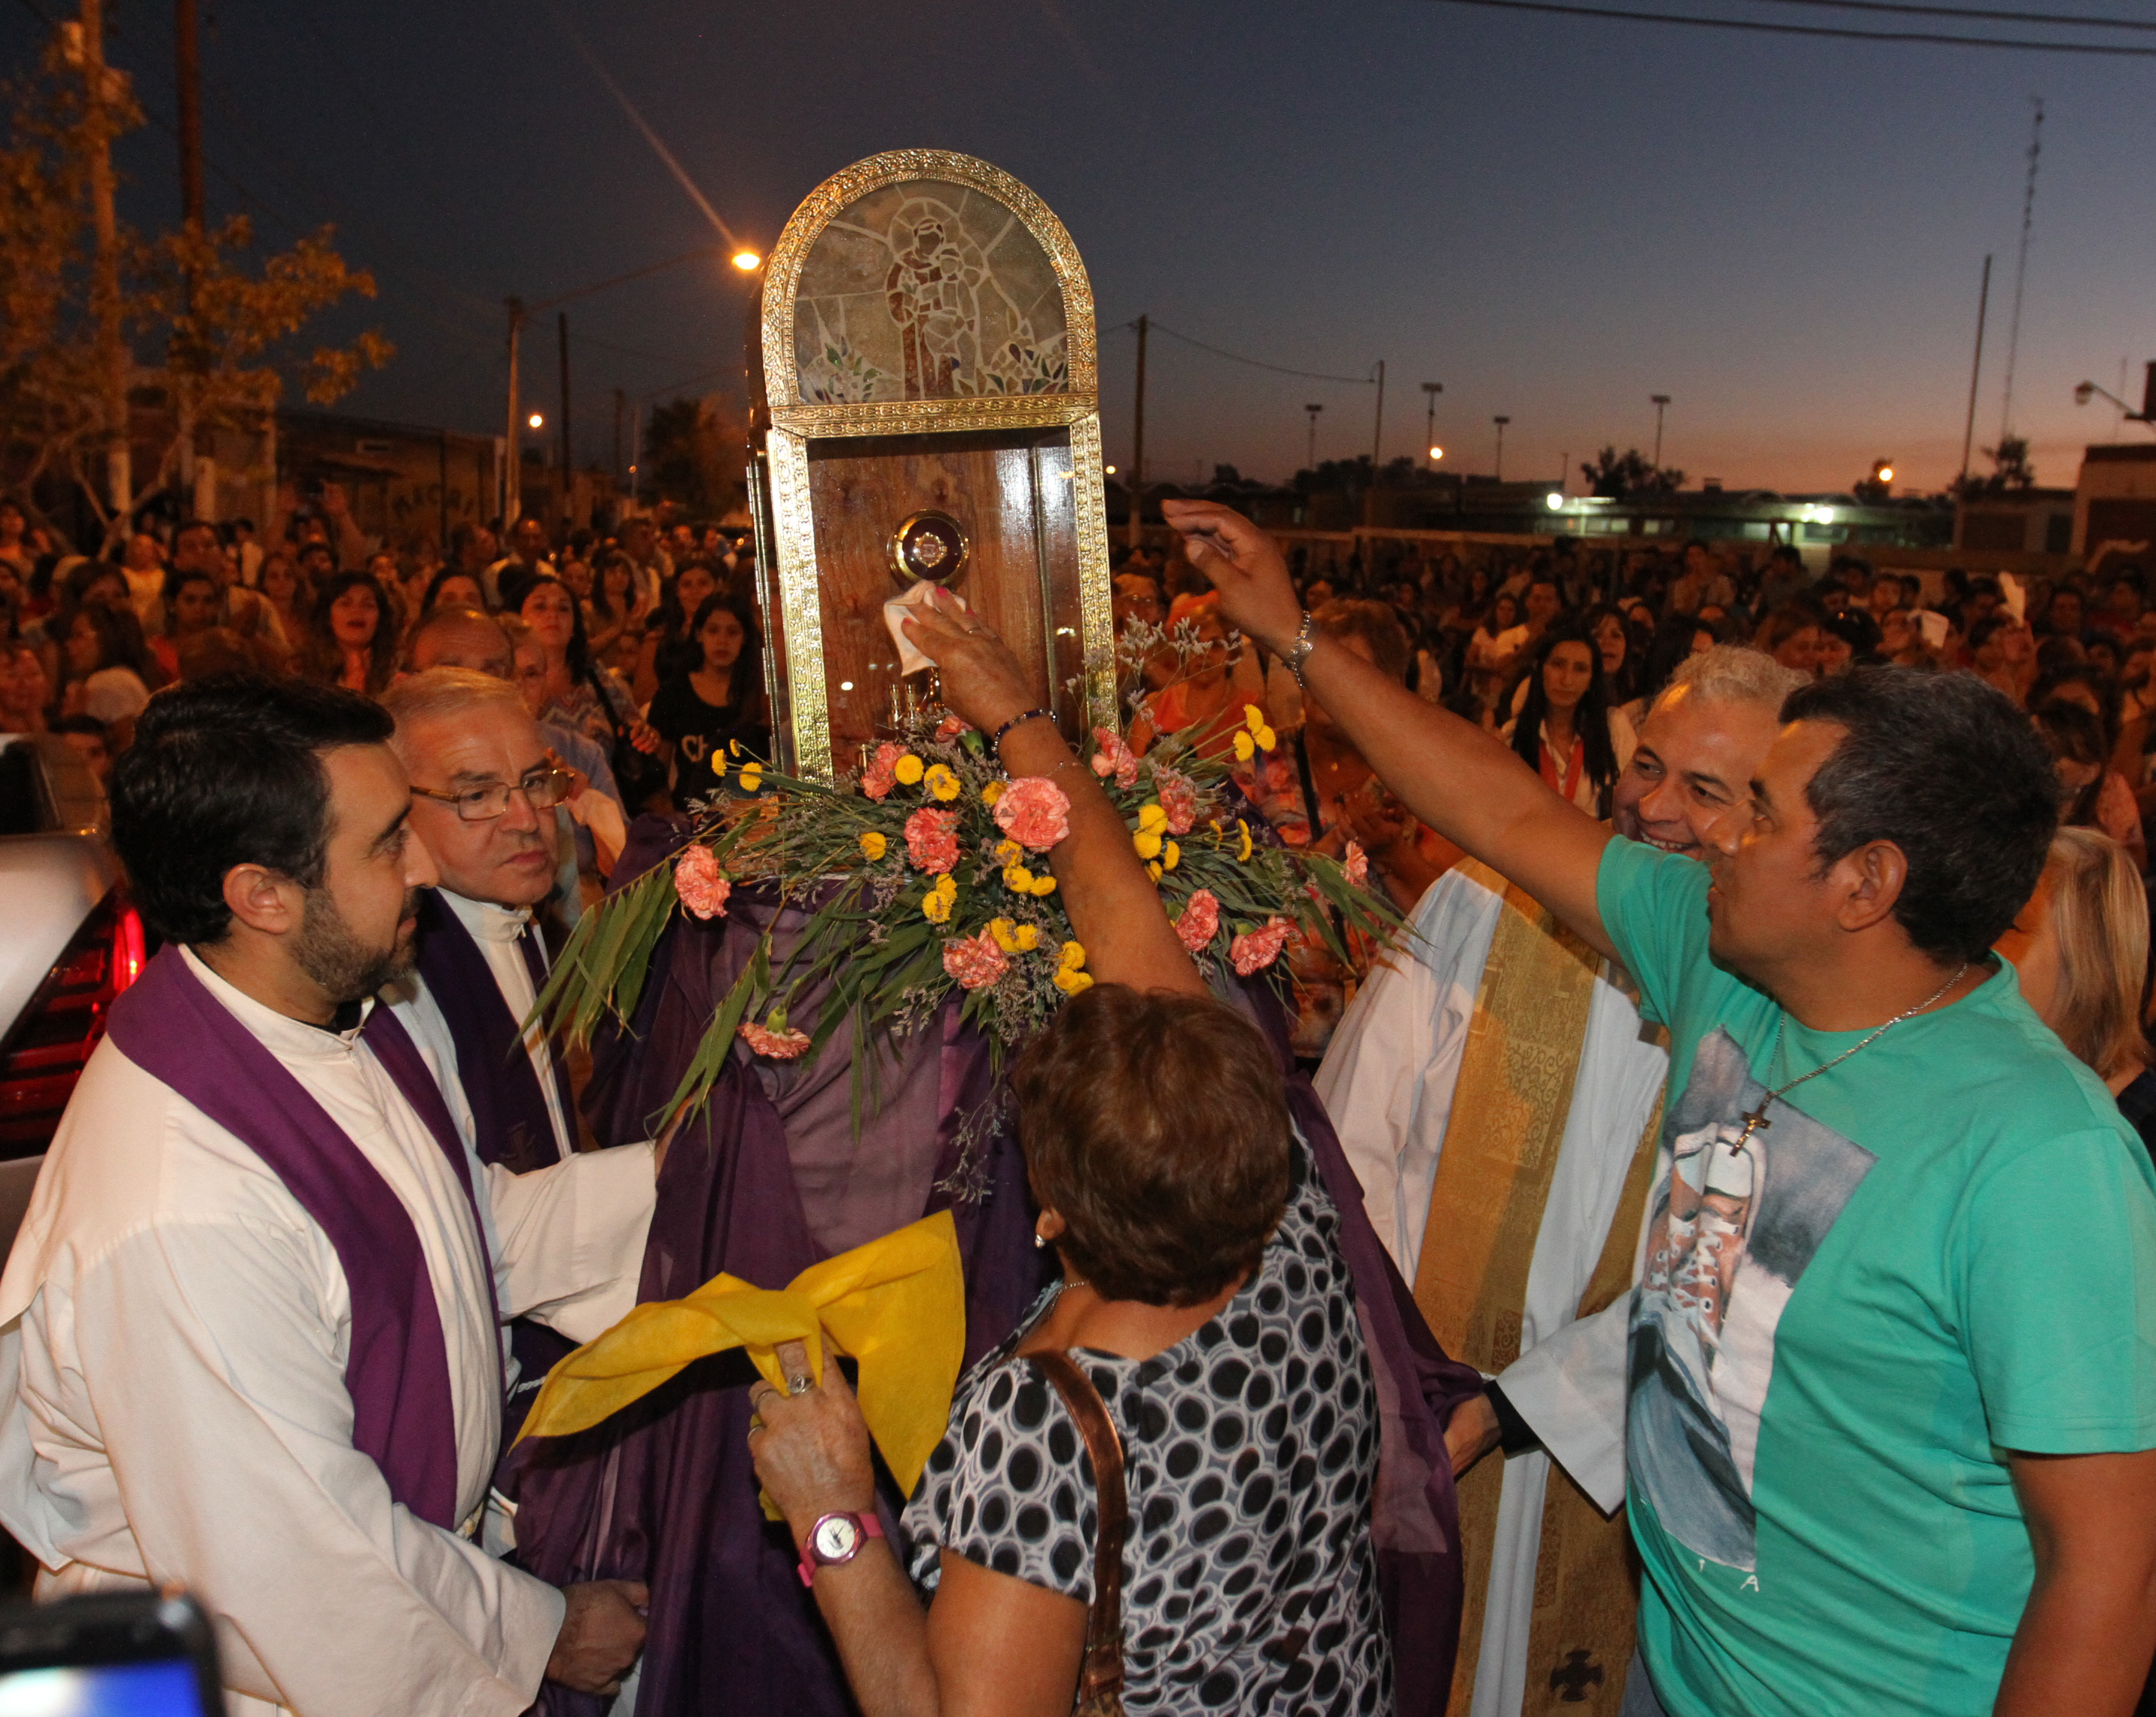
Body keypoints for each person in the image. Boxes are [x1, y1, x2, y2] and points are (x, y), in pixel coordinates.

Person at [1169, 495, 2156, 1717]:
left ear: (1864, 883)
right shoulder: (1723, 963)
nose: (1715, 838)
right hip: (1675, 1670)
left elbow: (2104, 1573)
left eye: (1759, 811)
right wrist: (1295, 633)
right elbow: (1500, 808)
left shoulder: (2038, 1158)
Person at [747, 590, 1395, 1715]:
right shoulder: (1285, 1214)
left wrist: (831, 1511)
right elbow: (1125, 917)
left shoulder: (1051, 1424)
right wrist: (1015, 721)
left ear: (1051, 1212)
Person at [0, 672, 660, 1716]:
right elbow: (295, 1563)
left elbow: (460, 1238)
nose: (422, 867)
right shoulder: (181, 1203)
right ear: (261, 894)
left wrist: (692, 1180)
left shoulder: (342, 1011)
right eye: (389, 842)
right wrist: (540, 1631)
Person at [1319, 645, 1804, 1717]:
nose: (1653, 807)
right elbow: (1351, 1153)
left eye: (1705, 790)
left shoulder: (1778, 1000)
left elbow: (1724, 1277)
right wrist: (1383, 1375)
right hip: (1405, 1410)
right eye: (1647, 766)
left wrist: (1528, 1401)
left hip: (1606, 1445)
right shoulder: (1480, 902)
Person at [646, 593, 770, 809]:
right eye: (713, 630)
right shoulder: (673, 693)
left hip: (750, 813)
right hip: (690, 812)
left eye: (732, 632)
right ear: (698, 634)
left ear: (745, 638)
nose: (722, 640)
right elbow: (657, 771)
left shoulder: (758, 693)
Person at [1503, 619, 1636, 817]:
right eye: (1558, 665)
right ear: (1540, 668)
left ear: (1591, 679)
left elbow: (1634, 802)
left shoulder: (1614, 726)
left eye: (1580, 669)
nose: (1567, 680)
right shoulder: (1512, 735)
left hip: (1595, 837)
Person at [59, 602, 160, 727]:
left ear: (105, 637)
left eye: (79, 635)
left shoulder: (107, 682)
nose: (68, 644)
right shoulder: (121, 677)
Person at [302, 571, 396, 697]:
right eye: (345, 604)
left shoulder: (394, 673)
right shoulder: (301, 670)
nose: (357, 611)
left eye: (368, 605)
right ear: (327, 617)